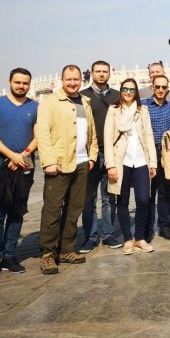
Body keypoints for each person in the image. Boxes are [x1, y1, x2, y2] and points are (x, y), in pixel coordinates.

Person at [37, 65, 98, 274]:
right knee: (52, 209)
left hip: (81, 163)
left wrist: (92, 156)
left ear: (81, 80)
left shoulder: (85, 101)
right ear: (62, 80)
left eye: (76, 79)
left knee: (74, 208)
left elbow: (92, 133)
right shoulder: (50, 102)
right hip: (59, 163)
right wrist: (49, 161)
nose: (73, 83)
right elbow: (42, 133)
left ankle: (66, 249)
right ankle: (47, 253)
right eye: (69, 79)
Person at [104, 78, 157, 255]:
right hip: (121, 161)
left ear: (136, 93)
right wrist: (110, 165)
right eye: (125, 89)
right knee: (123, 201)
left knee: (143, 200)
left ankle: (139, 237)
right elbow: (108, 138)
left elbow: (148, 135)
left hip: (141, 160)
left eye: (132, 90)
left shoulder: (143, 110)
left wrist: (153, 162)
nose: (128, 92)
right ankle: (127, 238)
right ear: (120, 90)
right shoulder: (113, 110)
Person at [79, 60, 121, 254]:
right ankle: (90, 237)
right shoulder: (83, 96)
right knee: (88, 198)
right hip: (90, 155)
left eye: (105, 71)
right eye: (98, 71)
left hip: (112, 154)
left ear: (109, 74)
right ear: (92, 73)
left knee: (109, 198)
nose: (102, 74)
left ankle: (108, 234)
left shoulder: (117, 96)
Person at [0, 68, 38, 273]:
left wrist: (22, 156)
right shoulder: (1, 104)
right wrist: (11, 155)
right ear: (10, 82)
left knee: (17, 212)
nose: (21, 86)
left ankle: (9, 255)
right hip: (2, 163)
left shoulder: (35, 106)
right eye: (18, 82)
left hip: (24, 164)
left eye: (25, 83)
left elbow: (38, 136)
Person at [142, 74, 170, 242]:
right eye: (158, 87)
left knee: (165, 192)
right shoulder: (143, 106)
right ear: (152, 87)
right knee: (149, 193)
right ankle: (148, 228)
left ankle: (164, 226)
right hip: (148, 154)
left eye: (164, 87)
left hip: (166, 154)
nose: (161, 90)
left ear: (168, 89)